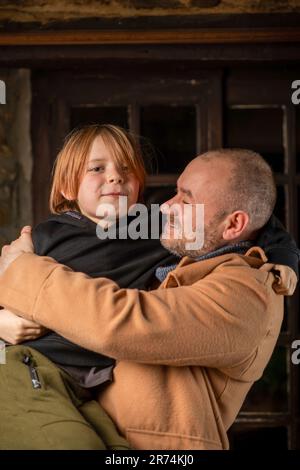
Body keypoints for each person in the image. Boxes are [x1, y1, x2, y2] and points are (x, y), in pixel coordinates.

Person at [0, 148, 299, 450]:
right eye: (174, 193)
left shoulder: (247, 292)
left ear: (234, 226)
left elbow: (121, 322)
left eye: (186, 198)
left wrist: (20, 267)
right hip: (87, 418)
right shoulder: (178, 254)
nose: (166, 207)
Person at [0, 123, 176, 449]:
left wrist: (284, 260)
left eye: (126, 168)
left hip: (84, 387)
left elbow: (237, 209)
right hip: (24, 366)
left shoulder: (158, 229)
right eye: (97, 168)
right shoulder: (46, 235)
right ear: (68, 188)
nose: (115, 176)